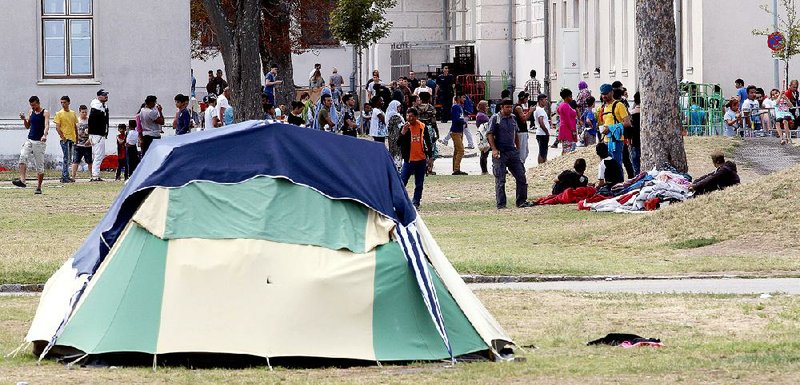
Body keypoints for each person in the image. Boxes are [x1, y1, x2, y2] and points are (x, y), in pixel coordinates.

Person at [487, 99, 531, 208]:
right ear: (502, 107)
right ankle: (501, 204)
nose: (509, 109)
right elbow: (490, 134)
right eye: (507, 107)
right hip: (500, 152)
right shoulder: (495, 118)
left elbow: (516, 133)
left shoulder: (513, 118)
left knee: (521, 176)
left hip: (512, 152)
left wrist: (518, 148)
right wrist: (494, 149)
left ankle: (521, 201)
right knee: (500, 179)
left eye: (510, 107)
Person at [397, 107, 433, 209]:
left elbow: (428, 142)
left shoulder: (422, 126)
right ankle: (399, 201)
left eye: (412, 116)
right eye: (408, 116)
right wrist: (403, 133)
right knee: (402, 182)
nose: (409, 118)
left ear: (416, 117)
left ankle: (416, 202)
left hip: (421, 160)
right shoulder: (405, 127)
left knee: (419, 183)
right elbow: (398, 143)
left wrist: (430, 157)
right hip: (409, 160)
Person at [12, 96, 49, 194]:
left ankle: (39, 187)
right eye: (31, 105)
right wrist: (24, 119)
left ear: (38, 103)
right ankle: (22, 180)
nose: (32, 107)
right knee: (22, 157)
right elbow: (27, 126)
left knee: (39, 165)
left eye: (34, 105)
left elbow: (47, 125)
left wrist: (44, 135)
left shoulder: (45, 112)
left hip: (39, 142)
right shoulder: (31, 112)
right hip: (30, 139)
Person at [597, 84, 630, 167]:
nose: (604, 96)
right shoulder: (603, 107)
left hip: (617, 140)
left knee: (617, 165)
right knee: (606, 166)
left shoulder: (619, 105)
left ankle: (619, 180)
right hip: (605, 140)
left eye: (606, 93)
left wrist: (611, 128)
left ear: (612, 92)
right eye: (602, 94)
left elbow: (627, 123)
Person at [54, 95, 78, 183]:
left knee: (69, 158)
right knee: (66, 158)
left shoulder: (72, 113)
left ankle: (66, 175)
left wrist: (77, 137)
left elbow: (75, 126)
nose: (63, 104)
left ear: (68, 102)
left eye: (64, 102)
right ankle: (64, 176)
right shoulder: (59, 113)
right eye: (61, 103)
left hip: (72, 138)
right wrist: (63, 137)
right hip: (65, 138)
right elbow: (57, 127)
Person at [88, 89, 110, 182]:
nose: (106, 96)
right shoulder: (96, 108)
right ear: (99, 96)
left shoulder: (103, 107)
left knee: (99, 154)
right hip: (97, 134)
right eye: (104, 95)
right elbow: (92, 122)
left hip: (100, 134)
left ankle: (95, 174)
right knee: (98, 154)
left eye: (106, 95)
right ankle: (95, 175)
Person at [417, 92, 439, 175]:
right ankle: (429, 168)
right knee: (431, 149)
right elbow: (434, 122)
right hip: (429, 129)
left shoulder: (416, 108)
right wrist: (437, 133)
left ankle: (422, 168)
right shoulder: (431, 108)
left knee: (421, 149)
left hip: (419, 129)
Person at [71, 105, 92, 181]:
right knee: (75, 161)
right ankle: (73, 177)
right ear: (79, 112)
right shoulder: (77, 121)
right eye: (83, 112)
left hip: (88, 145)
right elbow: (73, 131)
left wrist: (89, 140)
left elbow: (92, 132)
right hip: (78, 144)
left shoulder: (90, 121)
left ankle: (92, 176)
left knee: (89, 161)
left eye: (86, 112)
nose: (84, 113)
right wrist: (75, 140)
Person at [450, 93, 467, 175]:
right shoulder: (456, 107)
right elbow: (456, 119)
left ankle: (456, 168)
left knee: (457, 150)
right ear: (459, 98)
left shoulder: (460, 107)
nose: (464, 99)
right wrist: (463, 121)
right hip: (456, 131)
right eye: (463, 97)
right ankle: (456, 169)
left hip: (459, 130)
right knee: (461, 150)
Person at [557, 88, 578, 154]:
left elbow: (558, 111)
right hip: (567, 130)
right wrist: (573, 131)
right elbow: (568, 119)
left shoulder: (561, 105)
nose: (571, 98)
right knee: (567, 151)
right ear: (566, 97)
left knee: (565, 149)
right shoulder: (566, 106)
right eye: (570, 96)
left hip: (564, 128)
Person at [514, 92, 533, 164]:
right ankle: (520, 166)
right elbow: (523, 119)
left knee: (525, 151)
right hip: (521, 131)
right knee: (522, 152)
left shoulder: (519, 107)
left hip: (522, 131)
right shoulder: (518, 107)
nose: (527, 100)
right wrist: (530, 111)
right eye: (526, 98)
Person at [386, 100, 405, 168]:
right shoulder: (395, 116)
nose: (399, 108)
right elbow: (401, 126)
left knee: (393, 151)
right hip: (396, 136)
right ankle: (397, 166)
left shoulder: (390, 115)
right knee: (397, 151)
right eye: (398, 107)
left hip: (391, 137)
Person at [533, 93, 551, 164]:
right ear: (540, 101)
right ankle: (541, 165)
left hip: (540, 133)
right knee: (542, 152)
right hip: (542, 134)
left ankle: (543, 163)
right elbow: (541, 121)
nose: (546, 101)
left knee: (543, 150)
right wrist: (546, 132)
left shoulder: (538, 109)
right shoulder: (540, 110)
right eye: (545, 100)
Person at [475, 100, 491, 175]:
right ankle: (484, 171)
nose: (488, 107)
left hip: (485, 135)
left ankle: (484, 170)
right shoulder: (481, 116)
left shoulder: (482, 114)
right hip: (484, 136)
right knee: (484, 153)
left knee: (485, 153)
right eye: (486, 106)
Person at [628, 92, 642, 175]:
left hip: (634, 142)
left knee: (636, 168)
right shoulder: (646, 114)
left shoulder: (631, 114)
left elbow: (628, 130)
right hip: (645, 142)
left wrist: (629, 142)